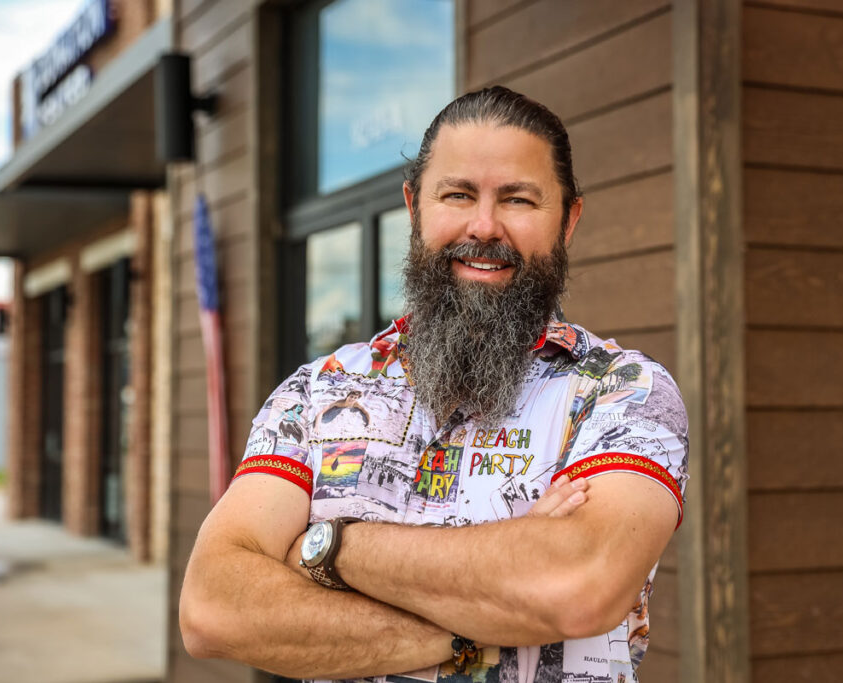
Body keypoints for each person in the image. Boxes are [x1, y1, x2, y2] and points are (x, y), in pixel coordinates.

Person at [180, 86, 689, 683]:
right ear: (414, 206)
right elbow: (212, 607)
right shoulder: (320, 392)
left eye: (518, 199)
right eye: (458, 195)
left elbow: (578, 587)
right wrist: (492, 615)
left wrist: (328, 548)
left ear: (568, 220)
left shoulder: (621, 391)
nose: (484, 226)